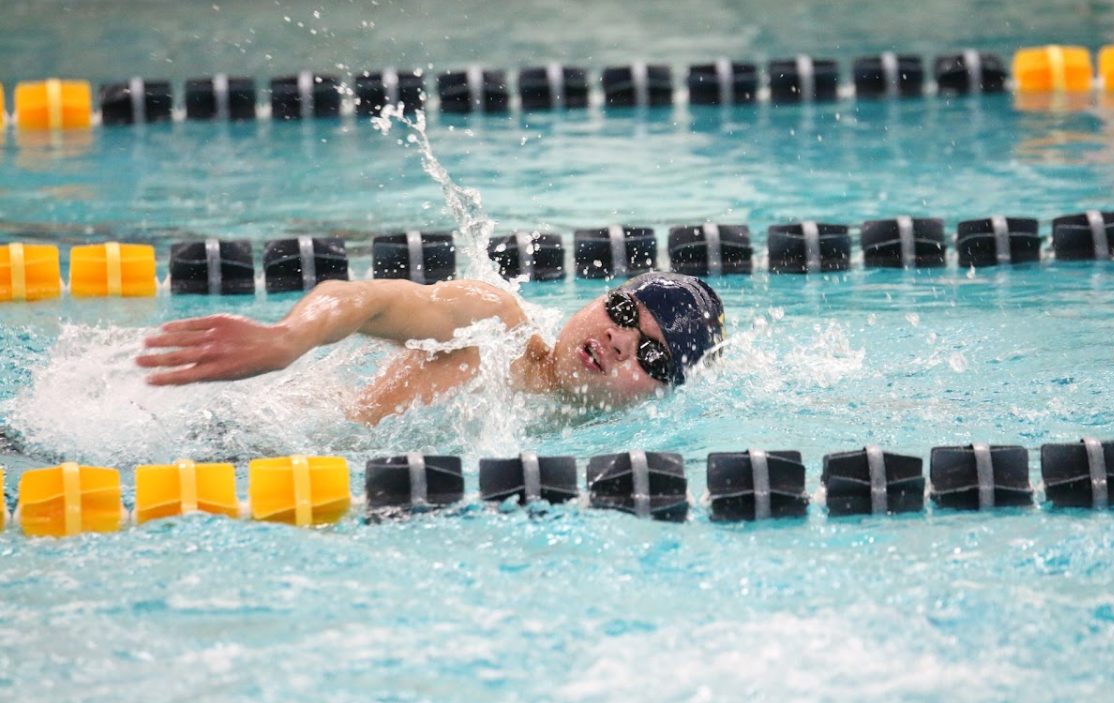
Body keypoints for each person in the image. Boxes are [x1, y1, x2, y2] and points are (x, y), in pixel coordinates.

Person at [136, 272, 725, 425]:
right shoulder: (497, 329)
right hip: (233, 428)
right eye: (622, 313)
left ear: (666, 392)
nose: (619, 341)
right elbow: (370, 299)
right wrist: (287, 338)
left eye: (652, 355)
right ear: (597, 302)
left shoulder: (594, 441)